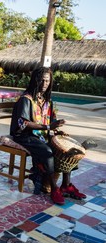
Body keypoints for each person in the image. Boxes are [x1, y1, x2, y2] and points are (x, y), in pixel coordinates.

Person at [10, 67, 86, 205]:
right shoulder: (25, 100)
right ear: (35, 80)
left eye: (47, 81)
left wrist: (57, 131)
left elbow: (51, 121)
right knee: (48, 152)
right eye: (42, 80)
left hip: (41, 135)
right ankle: (53, 188)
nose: (44, 84)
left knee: (68, 150)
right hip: (24, 135)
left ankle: (66, 185)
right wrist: (48, 127)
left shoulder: (47, 101)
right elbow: (23, 123)